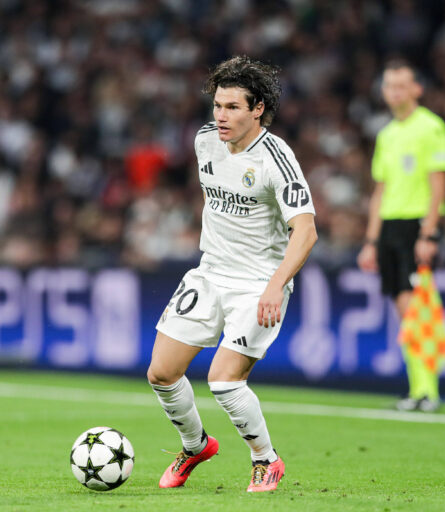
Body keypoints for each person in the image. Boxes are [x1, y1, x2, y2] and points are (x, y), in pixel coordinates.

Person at [146, 56, 317, 492]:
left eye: (233, 107)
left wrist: (276, 286)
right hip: (209, 273)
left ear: (258, 109)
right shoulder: (205, 140)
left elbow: (306, 231)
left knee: (223, 380)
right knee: (161, 373)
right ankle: (195, 445)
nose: (221, 116)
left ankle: (266, 459)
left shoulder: (276, 158)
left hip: (258, 283)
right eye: (218, 106)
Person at [357, 59, 445, 412]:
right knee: (403, 308)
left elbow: (438, 184)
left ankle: (428, 390)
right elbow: (380, 190)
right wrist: (371, 241)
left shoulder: (431, 127)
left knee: (417, 308)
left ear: (417, 89)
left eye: (401, 85)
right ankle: (418, 388)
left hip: (416, 224)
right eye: (389, 86)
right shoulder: (386, 134)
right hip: (390, 226)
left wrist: (429, 233)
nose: (394, 92)